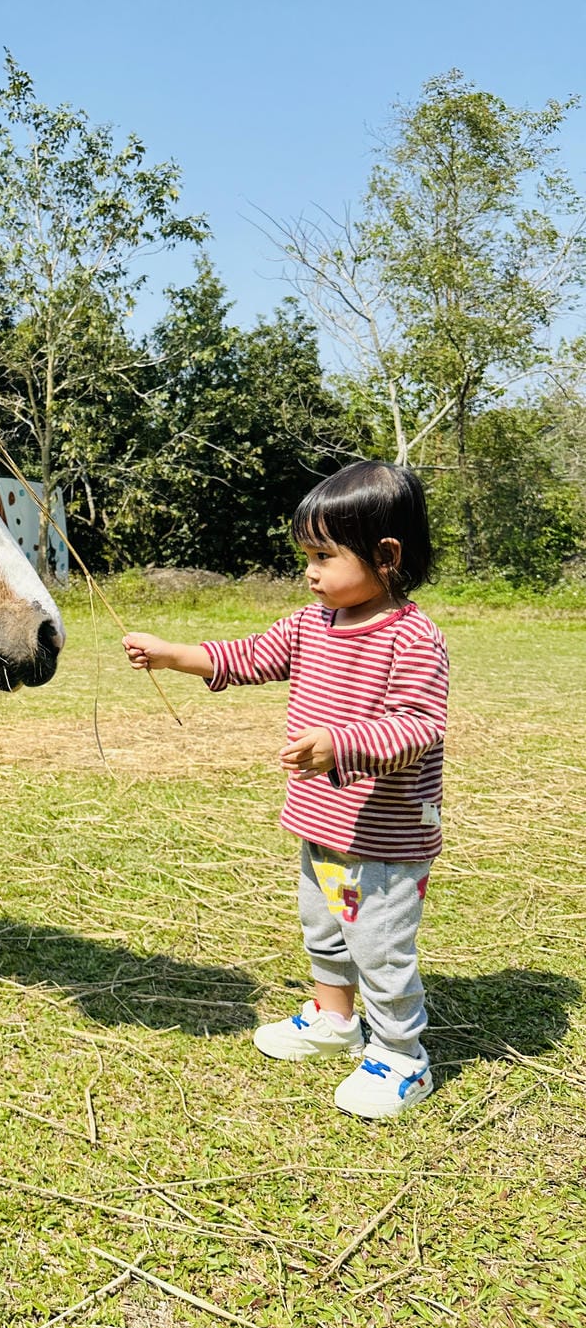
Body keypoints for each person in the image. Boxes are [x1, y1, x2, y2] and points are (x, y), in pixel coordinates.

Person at [122, 461, 447, 1119]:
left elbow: (418, 726)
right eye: (307, 556)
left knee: (379, 947)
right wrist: (171, 653)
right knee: (326, 932)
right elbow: (246, 657)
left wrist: (340, 743)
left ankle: (403, 1058)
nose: (311, 571)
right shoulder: (310, 624)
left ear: (386, 556)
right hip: (324, 827)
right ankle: (334, 1022)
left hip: (384, 842)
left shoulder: (413, 639)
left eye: (325, 556)